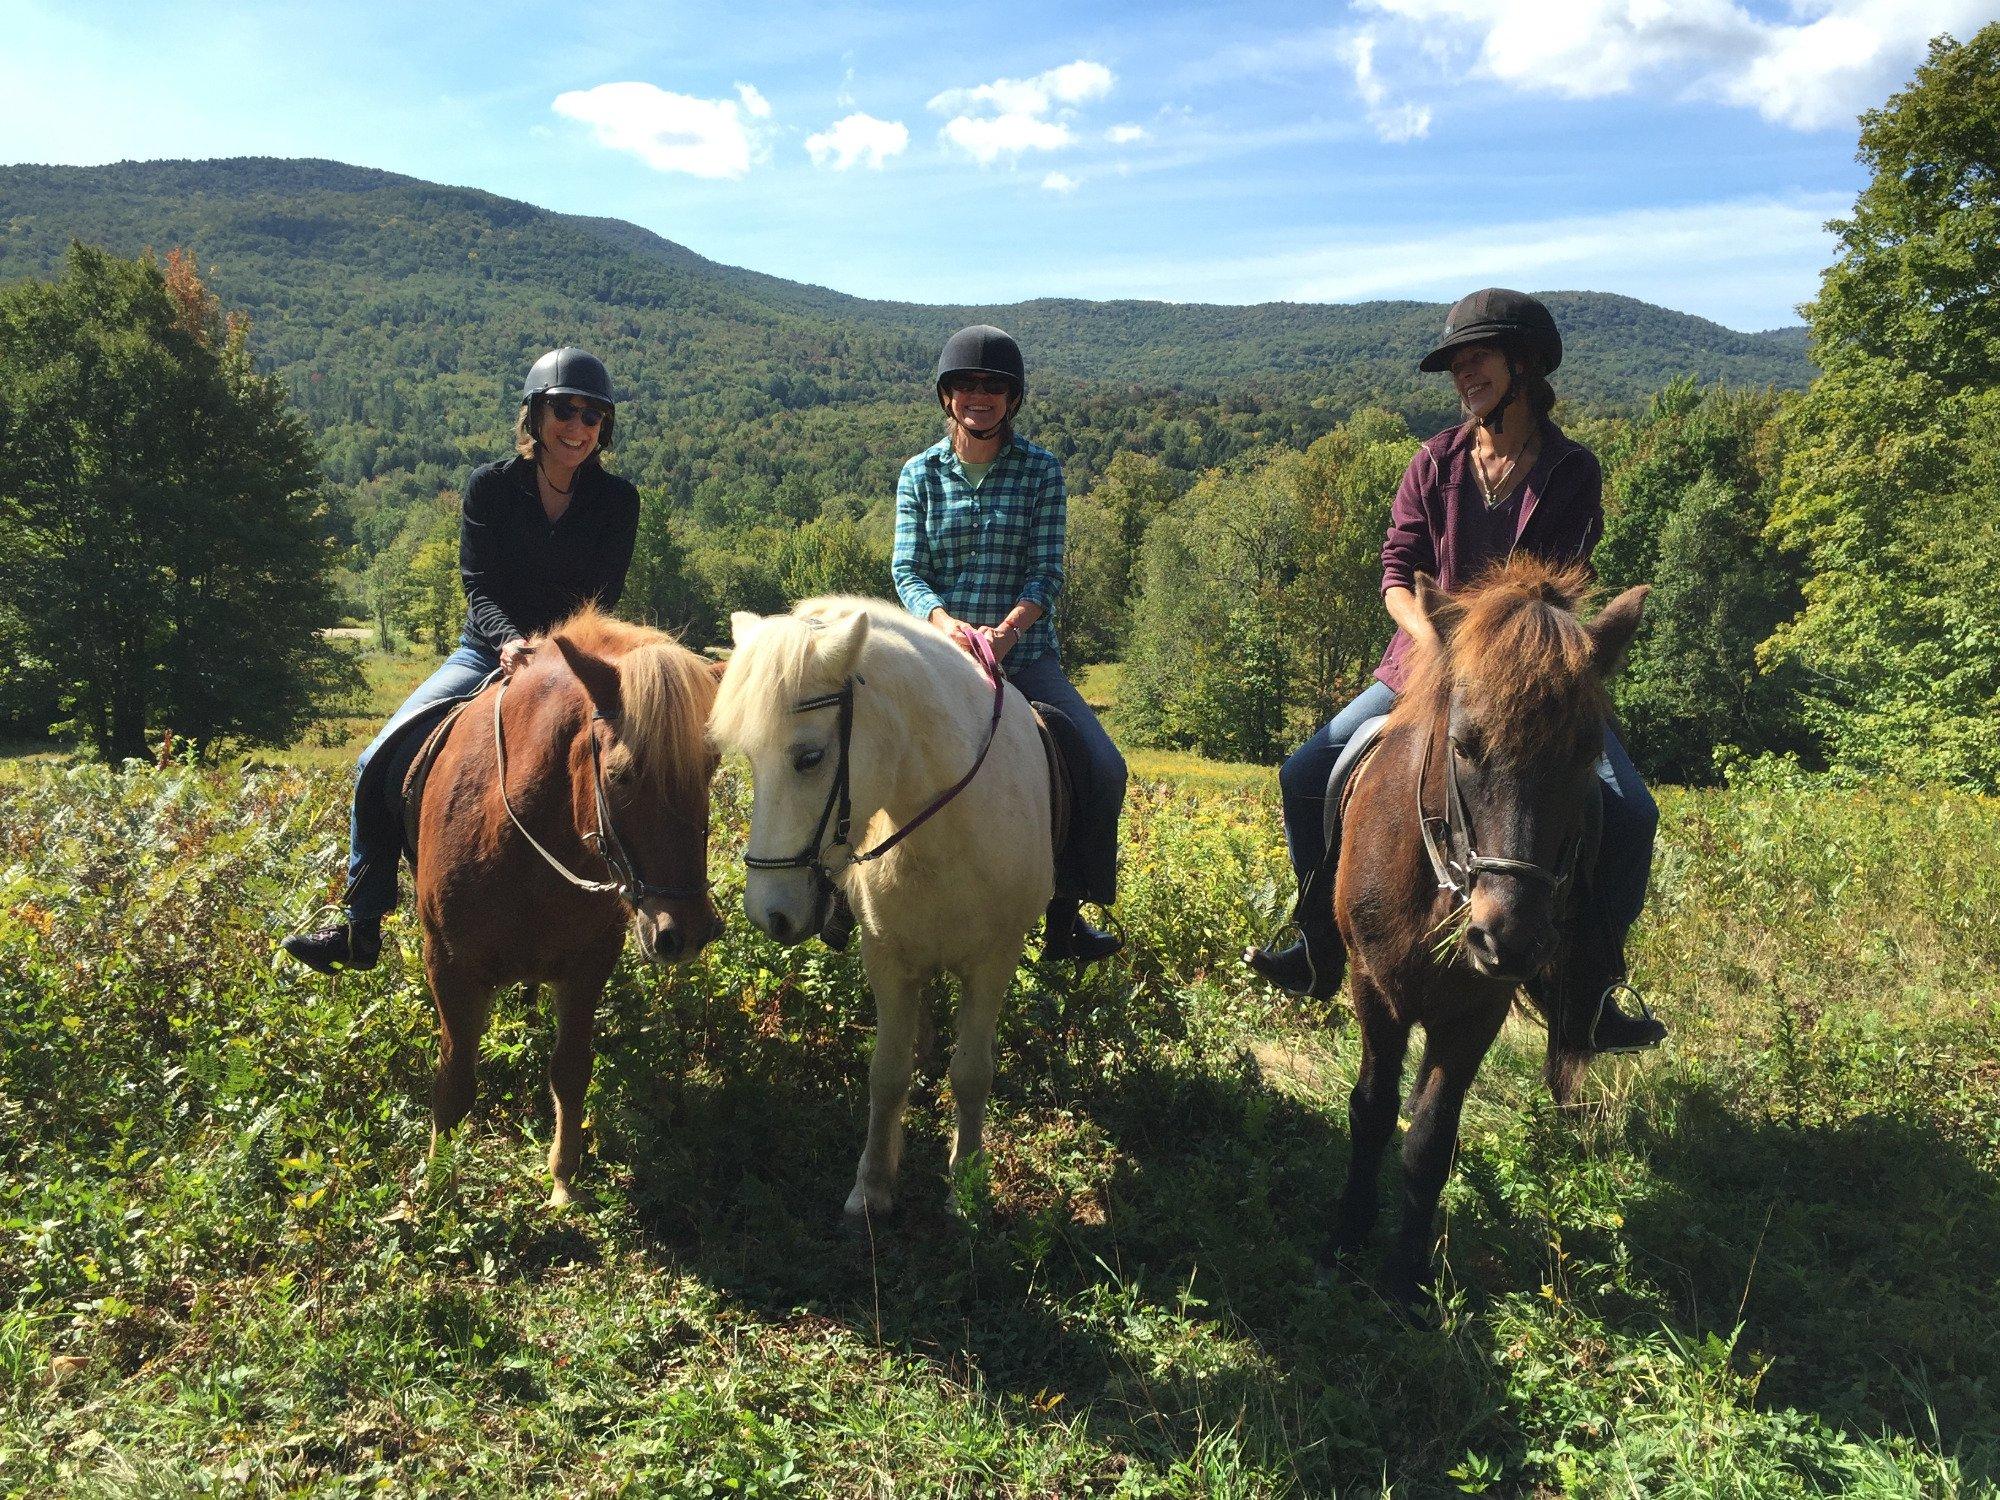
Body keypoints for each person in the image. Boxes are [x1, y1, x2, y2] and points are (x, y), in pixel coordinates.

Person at [1244, 289, 1665, 1054]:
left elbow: (1558, 588)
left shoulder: (1572, 470)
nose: (1463, 374)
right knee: (1305, 772)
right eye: (1456, 363)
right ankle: (1316, 947)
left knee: (1632, 815)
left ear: (1523, 364)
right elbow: (1397, 570)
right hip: (1424, 662)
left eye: (1478, 359)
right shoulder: (1432, 462)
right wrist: (1432, 641)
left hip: (1529, 680)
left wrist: (1491, 653)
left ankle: (1590, 991)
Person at [283, 347, 641, 974]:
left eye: (592, 416)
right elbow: (478, 583)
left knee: (646, 761)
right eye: (565, 410)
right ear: (535, 416)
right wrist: (508, 642)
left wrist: (554, 655)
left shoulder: (618, 502)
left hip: (570, 660)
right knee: (377, 759)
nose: (578, 427)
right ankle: (360, 922)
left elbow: (599, 598)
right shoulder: (491, 488)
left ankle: (636, 906)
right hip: (487, 651)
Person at [891, 325, 1127, 964]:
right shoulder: (919, 475)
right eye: (967, 384)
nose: (980, 396)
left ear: (1013, 399)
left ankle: (1067, 911)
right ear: (947, 396)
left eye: (994, 386)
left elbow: (1046, 569)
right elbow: (907, 571)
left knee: (1103, 768)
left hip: (1024, 656)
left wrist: (1006, 630)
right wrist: (949, 627)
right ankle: (841, 895)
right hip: (938, 656)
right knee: (860, 747)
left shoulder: (1041, 473)